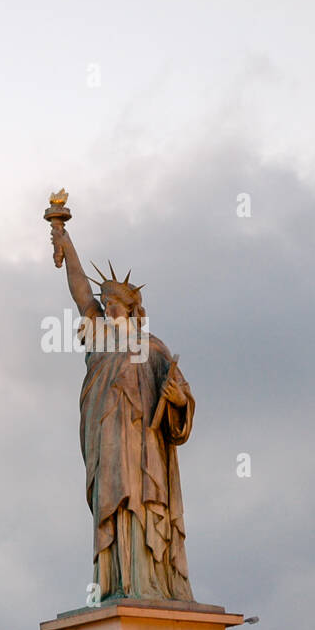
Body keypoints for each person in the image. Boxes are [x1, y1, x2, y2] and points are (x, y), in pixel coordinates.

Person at [51, 224, 196, 602]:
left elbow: (180, 400)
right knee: (112, 506)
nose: (106, 308)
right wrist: (66, 243)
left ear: (132, 310)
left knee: (140, 502)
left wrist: (178, 400)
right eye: (105, 303)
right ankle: (115, 582)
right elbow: (80, 292)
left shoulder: (153, 348)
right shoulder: (98, 337)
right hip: (107, 440)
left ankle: (145, 581)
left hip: (144, 445)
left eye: (113, 303)